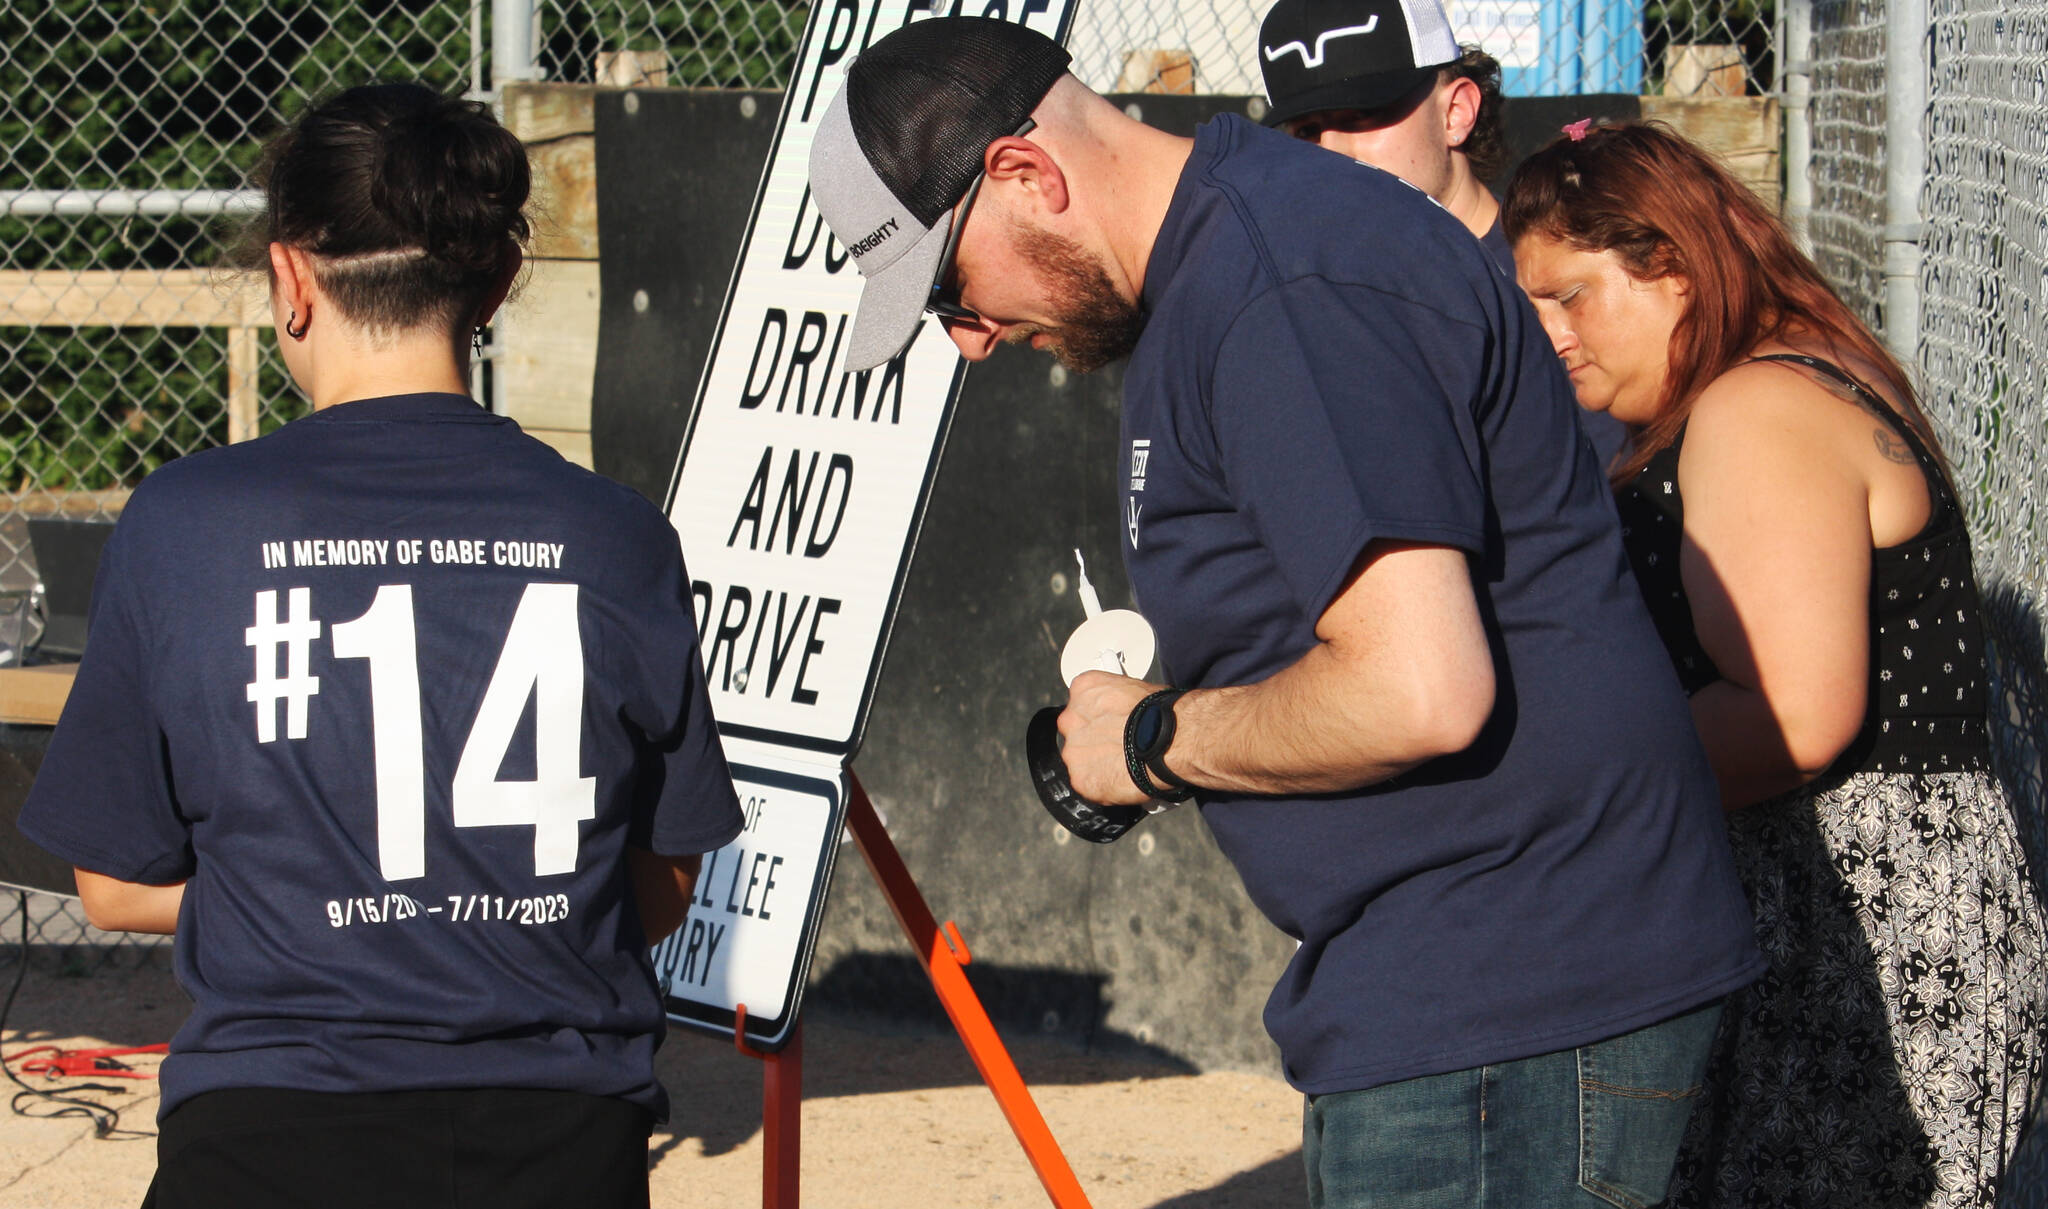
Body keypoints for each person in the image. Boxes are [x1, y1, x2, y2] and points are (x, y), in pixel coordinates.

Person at [809, 18, 1761, 1207]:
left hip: (1506, 1001)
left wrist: (1148, 745)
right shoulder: (1232, 263)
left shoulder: (1279, 284)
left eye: (948, 287)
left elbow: (1417, 690)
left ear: (1023, 173)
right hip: (1475, 993)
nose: (967, 339)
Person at [17, 83, 744, 1209]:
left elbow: (111, 885)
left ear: (291, 279)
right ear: (498, 282)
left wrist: (309, 904)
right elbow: (664, 880)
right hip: (561, 1137)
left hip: (269, 1132)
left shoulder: (184, 525)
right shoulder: (616, 534)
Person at [1504, 120, 2047, 1209]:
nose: (1550, 335)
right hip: (1848, 914)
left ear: (1672, 267)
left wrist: (1553, 789)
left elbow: (1794, 718)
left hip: (1856, 932)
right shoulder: (1785, 377)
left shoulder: (1755, 409)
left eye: (1570, 296)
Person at [1257, 0, 1627, 461]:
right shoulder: (1295, 293)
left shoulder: (1554, 284)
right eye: (1307, 131)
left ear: (1455, 113)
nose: (1330, 154)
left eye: (1360, 118)